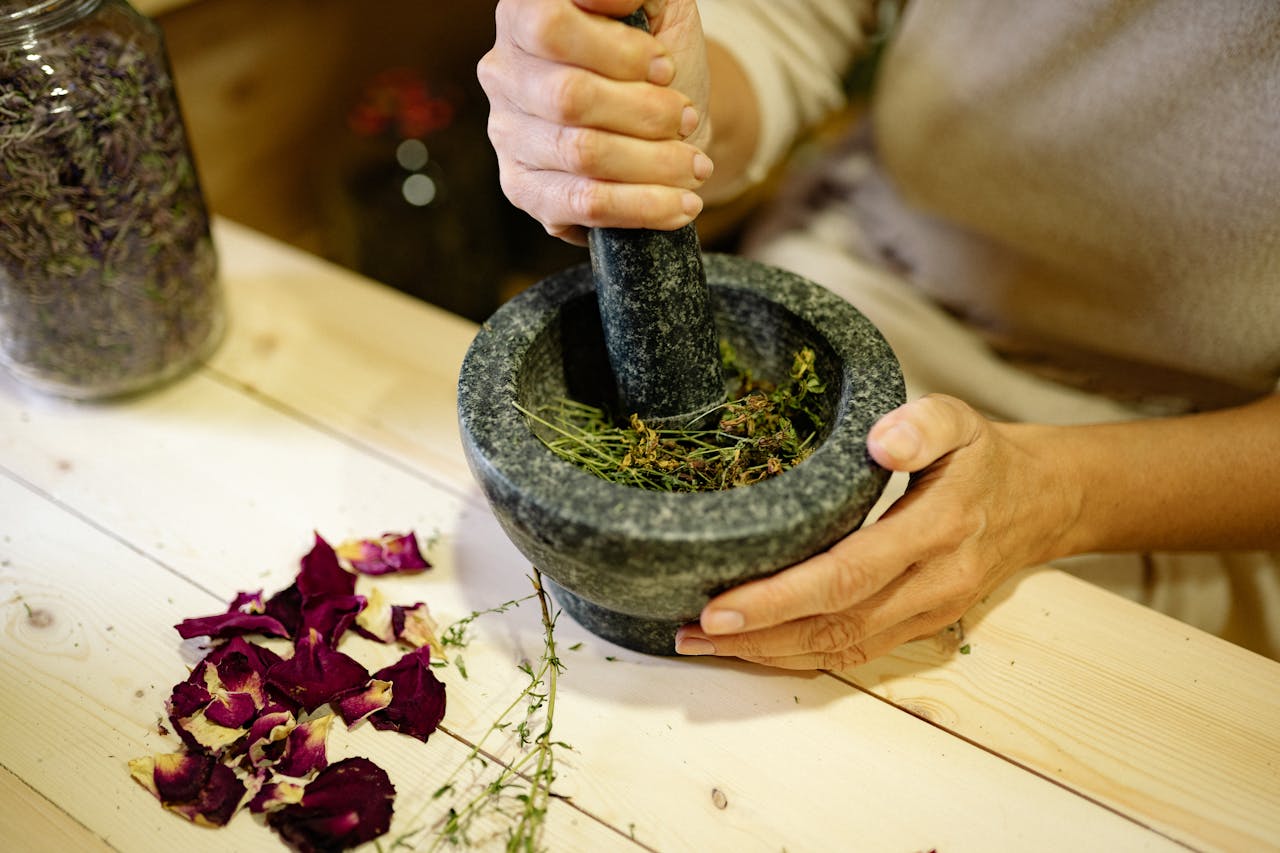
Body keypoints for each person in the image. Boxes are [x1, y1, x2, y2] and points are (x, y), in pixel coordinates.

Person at [477, 0, 1280, 666]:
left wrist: (1061, 496)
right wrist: (652, 111)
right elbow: (794, 19)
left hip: (1172, 470)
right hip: (861, 271)